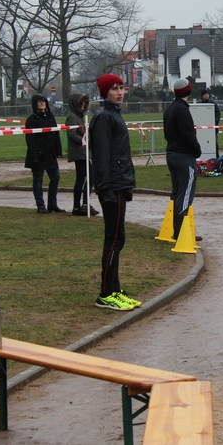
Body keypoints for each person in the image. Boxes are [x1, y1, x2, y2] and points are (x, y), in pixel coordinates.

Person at [89, 74, 142, 311]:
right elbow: (101, 156)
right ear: (105, 92)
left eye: (121, 87)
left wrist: (126, 184)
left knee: (117, 238)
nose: (119, 92)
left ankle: (115, 288)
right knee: (114, 240)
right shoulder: (103, 117)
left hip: (119, 183)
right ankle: (105, 294)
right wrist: (105, 188)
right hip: (111, 185)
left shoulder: (114, 114)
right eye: (114, 88)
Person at [164, 78, 202, 241]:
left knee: (176, 191)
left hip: (171, 153)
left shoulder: (169, 109)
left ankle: (176, 227)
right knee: (185, 193)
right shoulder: (183, 110)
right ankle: (181, 230)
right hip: (184, 156)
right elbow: (188, 135)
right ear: (189, 91)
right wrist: (197, 150)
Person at [25, 94, 64, 214]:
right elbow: (30, 139)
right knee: (38, 179)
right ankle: (41, 205)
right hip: (38, 154)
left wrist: (58, 150)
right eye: (39, 101)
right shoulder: (32, 119)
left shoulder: (50, 117)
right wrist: (34, 155)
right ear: (35, 104)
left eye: (44, 101)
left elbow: (55, 134)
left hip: (50, 153)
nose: (42, 103)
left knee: (55, 177)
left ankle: (52, 204)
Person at [65, 93, 99, 216]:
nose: (84, 105)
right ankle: (84, 204)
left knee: (82, 178)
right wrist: (83, 141)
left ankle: (78, 206)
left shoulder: (80, 117)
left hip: (83, 151)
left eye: (85, 103)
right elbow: (71, 133)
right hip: (79, 152)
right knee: (89, 176)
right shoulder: (72, 117)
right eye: (81, 103)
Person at [199, 90, 220, 156]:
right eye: (205, 94)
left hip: (212, 128)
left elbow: (218, 113)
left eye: (207, 94)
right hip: (202, 129)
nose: (206, 96)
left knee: (214, 143)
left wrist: (215, 121)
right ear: (202, 96)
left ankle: (216, 156)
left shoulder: (213, 103)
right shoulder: (199, 104)